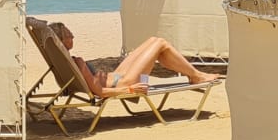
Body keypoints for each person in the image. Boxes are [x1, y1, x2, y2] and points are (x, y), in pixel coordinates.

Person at [49, 22, 220, 96]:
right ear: (62, 41)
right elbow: (100, 92)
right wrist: (131, 90)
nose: (72, 35)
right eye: (68, 34)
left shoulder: (66, 62)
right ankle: (196, 75)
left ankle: (193, 74)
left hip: (118, 77)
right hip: (125, 82)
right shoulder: (77, 62)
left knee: (154, 41)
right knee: (161, 44)